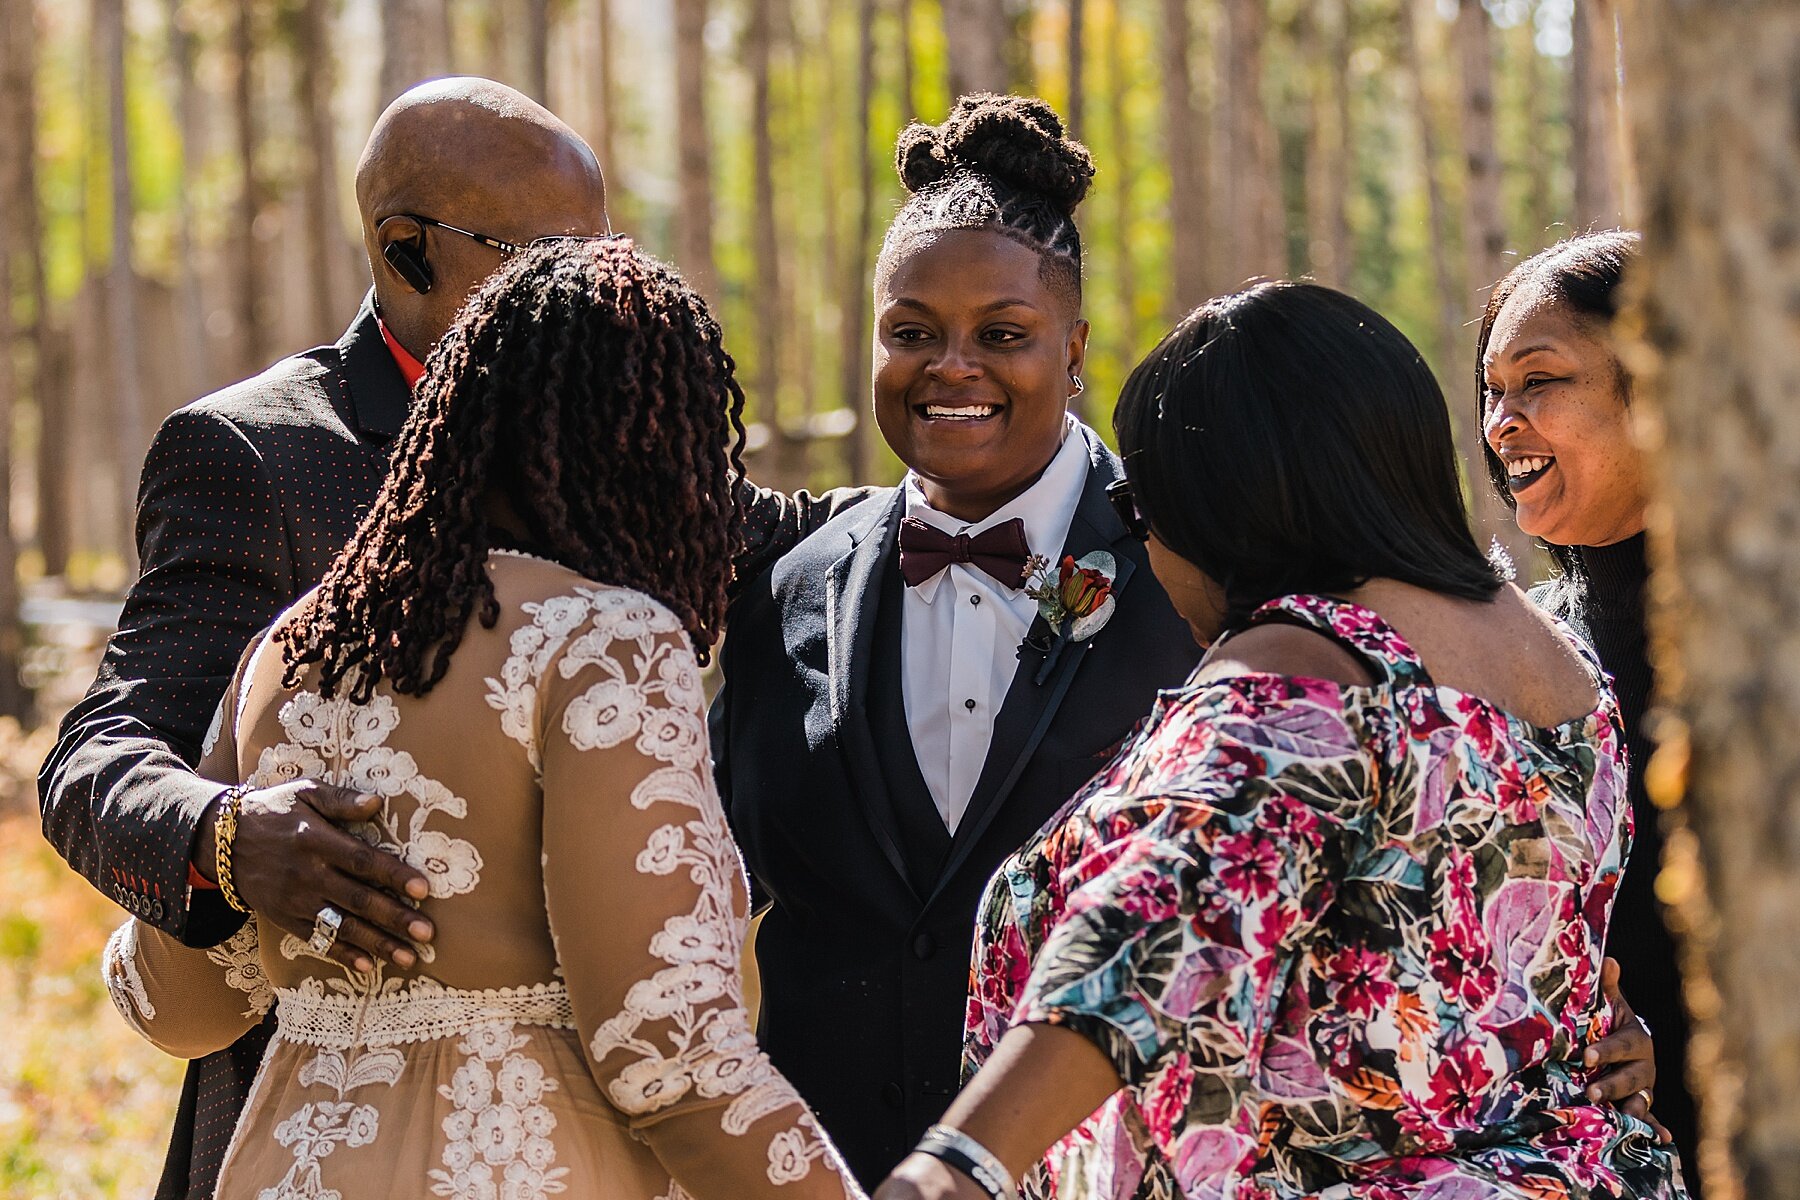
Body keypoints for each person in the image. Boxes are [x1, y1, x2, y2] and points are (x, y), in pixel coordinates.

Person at [41, 76, 856, 1200]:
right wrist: (230, 838)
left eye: (606, 247)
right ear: (405, 248)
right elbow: (101, 748)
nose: (590, 287)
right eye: (549, 254)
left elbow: (792, 528)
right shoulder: (255, 454)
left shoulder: (623, 455)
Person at [876, 282, 1688, 1200]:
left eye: (1142, 507)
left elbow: (1145, 937)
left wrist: (949, 1173)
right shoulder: (1561, 663)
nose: (1145, 546)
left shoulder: (1301, 672)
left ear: (1229, 500)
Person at [710, 94, 1201, 1186]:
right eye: (913, 332)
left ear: (1073, 350)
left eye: (1003, 335)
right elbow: (699, 885)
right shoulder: (785, 592)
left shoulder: (1189, 573)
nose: (952, 366)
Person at [1478, 230, 1697, 1186]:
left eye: (1539, 381)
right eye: (1492, 391)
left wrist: (1680, 1055)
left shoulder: (1769, 642)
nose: (1501, 422)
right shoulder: (1523, 659)